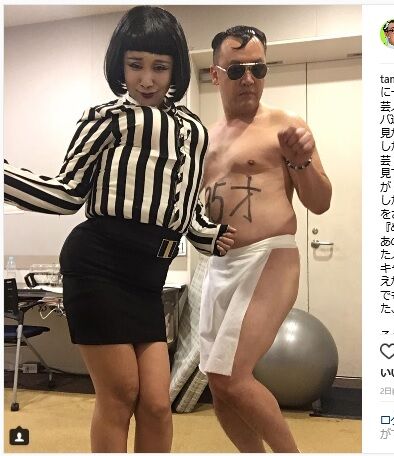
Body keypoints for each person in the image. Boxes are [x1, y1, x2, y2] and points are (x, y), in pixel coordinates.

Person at [3, 6, 235, 453]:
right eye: (135, 65)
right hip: (99, 264)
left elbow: (188, 208)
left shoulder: (195, 130)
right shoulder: (106, 118)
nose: (146, 79)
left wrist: (210, 235)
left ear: (175, 70)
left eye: (159, 67)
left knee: (158, 404)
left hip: (148, 277)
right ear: (119, 66)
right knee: (121, 393)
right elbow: (67, 193)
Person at [198, 25, 332, 453]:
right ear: (216, 74)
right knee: (218, 384)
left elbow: (320, 202)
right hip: (220, 264)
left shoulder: (285, 126)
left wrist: (301, 161)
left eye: (258, 68)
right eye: (237, 70)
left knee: (233, 375)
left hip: (270, 256)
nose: (249, 79)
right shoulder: (203, 137)